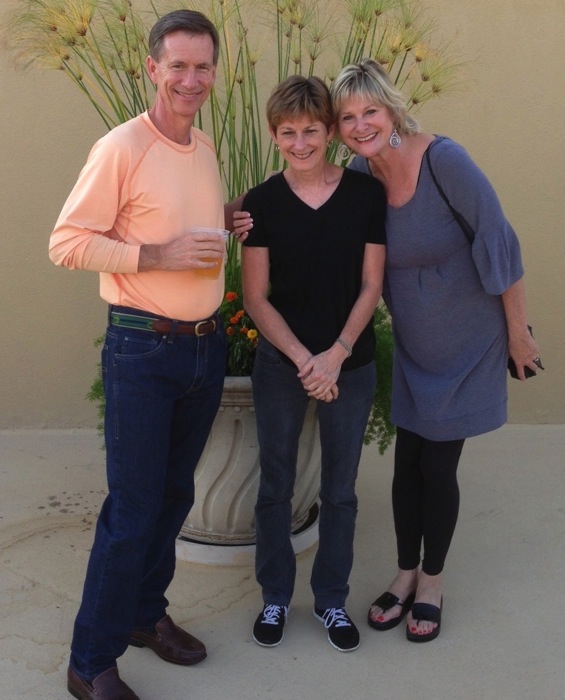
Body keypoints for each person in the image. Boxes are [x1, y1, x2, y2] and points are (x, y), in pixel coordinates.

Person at [49, 10, 229, 699]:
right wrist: (154, 254)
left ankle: (144, 617)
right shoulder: (122, 146)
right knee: (132, 509)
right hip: (141, 350)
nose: (191, 79)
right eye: (177, 65)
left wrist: (229, 216)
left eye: (202, 66)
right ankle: (89, 661)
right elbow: (67, 242)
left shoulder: (205, 147)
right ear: (152, 69)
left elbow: (187, 224)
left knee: (174, 496)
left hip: (202, 350)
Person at [330, 58, 541, 643]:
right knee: (406, 465)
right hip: (416, 346)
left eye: (370, 110)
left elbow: (499, 241)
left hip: (471, 340)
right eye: (347, 117)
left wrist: (519, 333)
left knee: (437, 466)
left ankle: (432, 581)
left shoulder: (445, 161)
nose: (361, 124)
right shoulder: (359, 172)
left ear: (392, 109)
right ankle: (403, 573)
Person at [240, 75, 387, 653]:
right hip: (284, 365)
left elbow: (372, 282)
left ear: (330, 131)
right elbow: (255, 298)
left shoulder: (363, 195)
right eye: (287, 133)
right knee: (275, 484)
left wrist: (338, 353)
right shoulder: (262, 202)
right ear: (275, 136)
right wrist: (306, 360)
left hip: (349, 362)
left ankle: (331, 601)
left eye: (311, 131)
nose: (300, 143)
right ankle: (275, 595)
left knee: (341, 490)